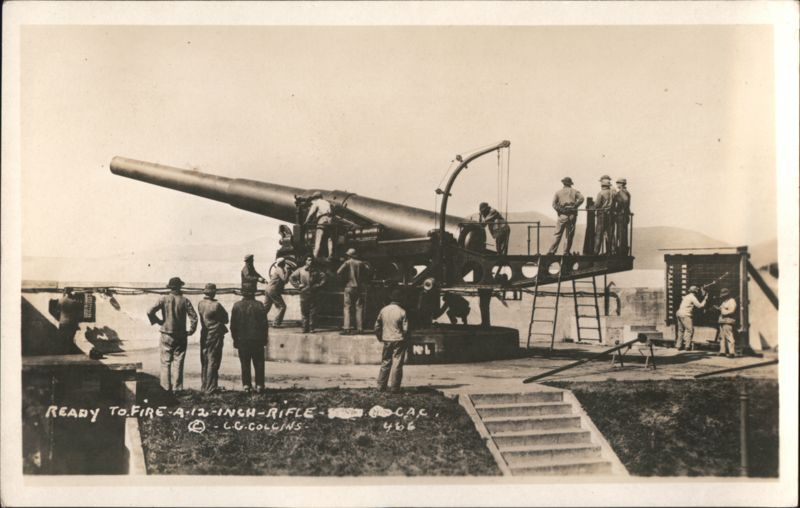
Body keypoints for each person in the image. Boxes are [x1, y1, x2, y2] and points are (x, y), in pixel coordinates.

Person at [147, 277, 198, 392]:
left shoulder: (163, 299)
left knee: (165, 362)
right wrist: (191, 330)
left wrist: (158, 321)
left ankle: (165, 389)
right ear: (180, 287)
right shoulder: (185, 300)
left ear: (170, 287)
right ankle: (177, 389)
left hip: (166, 333)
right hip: (181, 335)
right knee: (178, 362)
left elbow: (149, 311)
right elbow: (194, 317)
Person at [230, 288, 268, 392]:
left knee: (245, 363)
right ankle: (260, 385)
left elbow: (233, 326)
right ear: (253, 293)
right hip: (257, 340)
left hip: (242, 340)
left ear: (242, 293)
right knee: (259, 363)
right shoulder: (259, 305)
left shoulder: (237, 305)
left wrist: (235, 340)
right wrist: (264, 339)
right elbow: (264, 325)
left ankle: (246, 385)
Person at [374, 289, 409, 392]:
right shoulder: (402, 311)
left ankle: (381, 386)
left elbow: (377, 326)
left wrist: (380, 337)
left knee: (385, 362)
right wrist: (405, 338)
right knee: (397, 364)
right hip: (399, 339)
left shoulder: (383, 310)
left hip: (387, 339)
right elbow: (406, 329)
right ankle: (395, 387)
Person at [197, 283, 229, 394]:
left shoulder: (200, 304)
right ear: (213, 292)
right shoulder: (216, 305)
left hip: (204, 334)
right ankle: (210, 388)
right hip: (215, 335)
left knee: (205, 360)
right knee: (213, 360)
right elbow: (226, 319)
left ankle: (205, 385)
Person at [337, 248, 372, 334]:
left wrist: (345, 278)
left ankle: (347, 328)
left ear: (349, 255)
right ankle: (360, 328)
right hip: (358, 288)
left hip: (349, 287)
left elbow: (338, 272)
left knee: (347, 307)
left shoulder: (347, 263)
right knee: (359, 307)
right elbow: (368, 271)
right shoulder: (360, 263)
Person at [289, 255, 328, 333]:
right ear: (305, 261)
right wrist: (298, 285)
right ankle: (304, 327)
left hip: (313, 292)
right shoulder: (300, 270)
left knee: (313, 311)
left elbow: (324, 278)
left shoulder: (316, 270)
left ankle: (311, 328)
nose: (310, 261)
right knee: (304, 311)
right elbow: (291, 278)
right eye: (309, 260)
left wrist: (318, 285)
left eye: (311, 260)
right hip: (304, 292)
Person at [547, 177, 585, 255]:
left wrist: (562, 210)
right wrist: (575, 206)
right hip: (572, 215)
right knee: (569, 234)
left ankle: (551, 251)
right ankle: (566, 252)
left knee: (557, 234)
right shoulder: (575, 191)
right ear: (570, 184)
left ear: (563, 183)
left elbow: (554, 204)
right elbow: (581, 198)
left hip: (562, 215)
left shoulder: (558, 192)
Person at [674, 285, 708, 351]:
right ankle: (687, 346)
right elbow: (700, 306)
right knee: (690, 330)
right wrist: (705, 299)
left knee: (681, 330)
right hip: (686, 314)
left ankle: (678, 345)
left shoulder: (687, 296)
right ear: (695, 291)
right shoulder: (692, 297)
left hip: (679, 313)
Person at [304, 191, 334, 258]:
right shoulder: (327, 202)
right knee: (329, 239)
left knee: (318, 239)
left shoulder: (317, 202)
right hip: (329, 220)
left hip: (322, 219)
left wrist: (306, 221)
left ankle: (315, 255)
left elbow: (311, 213)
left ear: (315, 198)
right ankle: (330, 255)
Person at [56, 287, 83, 354]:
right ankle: (69, 352)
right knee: (70, 338)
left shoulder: (61, 300)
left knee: (63, 338)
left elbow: (57, 311)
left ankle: (62, 352)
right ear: (71, 292)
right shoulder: (74, 302)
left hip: (62, 322)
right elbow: (78, 313)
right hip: (71, 323)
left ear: (65, 292)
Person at [265, 257, 290, 327]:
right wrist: (288, 271)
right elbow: (284, 279)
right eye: (284, 262)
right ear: (282, 263)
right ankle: (276, 323)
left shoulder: (277, 269)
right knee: (282, 306)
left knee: (266, 307)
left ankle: (257, 320)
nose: (285, 263)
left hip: (268, 289)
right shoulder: (280, 269)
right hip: (273, 290)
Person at [593, 175, 615, 255]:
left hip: (602, 215)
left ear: (602, 185)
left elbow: (597, 205)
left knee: (599, 234)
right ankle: (611, 251)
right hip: (611, 215)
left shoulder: (601, 193)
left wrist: (592, 206)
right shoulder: (613, 193)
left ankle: (596, 252)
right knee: (610, 234)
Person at [716, 288, 738, 358]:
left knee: (729, 336)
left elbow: (732, 310)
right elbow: (722, 308)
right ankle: (722, 351)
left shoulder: (732, 301)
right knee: (721, 337)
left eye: (724, 295)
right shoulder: (724, 302)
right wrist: (718, 308)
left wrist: (723, 311)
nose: (723, 297)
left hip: (728, 320)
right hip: (722, 321)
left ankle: (732, 352)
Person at [612, 178, 631, 255]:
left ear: (621, 184)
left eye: (618, 183)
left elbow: (625, 200)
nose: (617, 184)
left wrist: (622, 209)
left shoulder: (622, 192)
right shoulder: (625, 192)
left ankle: (621, 251)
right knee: (622, 233)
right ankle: (622, 250)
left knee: (621, 233)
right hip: (623, 215)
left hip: (621, 215)